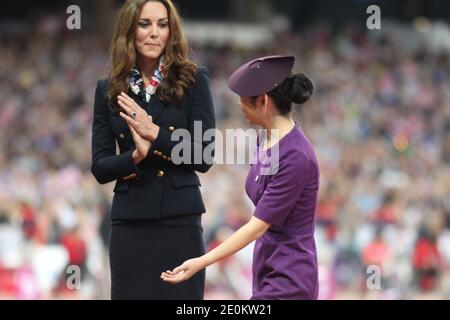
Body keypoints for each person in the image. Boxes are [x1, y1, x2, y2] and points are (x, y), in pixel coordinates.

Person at [161, 55, 320, 300]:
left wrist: (202, 261)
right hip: (267, 267)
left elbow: (257, 226)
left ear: (264, 101)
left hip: (290, 276)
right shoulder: (265, 139)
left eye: (244, 100)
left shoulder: (296, 156)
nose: (239, 106)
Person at [90, 0, 215, 300]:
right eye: (145, 24)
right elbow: (100, 166)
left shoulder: (194, 80)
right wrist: (136, 155)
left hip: (180, 221)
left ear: (171, 32)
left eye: (162, 24)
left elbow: (205, 155)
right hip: (129, 224)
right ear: (129, 30)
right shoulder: (108, 88)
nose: (154, 33)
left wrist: (155, 134)